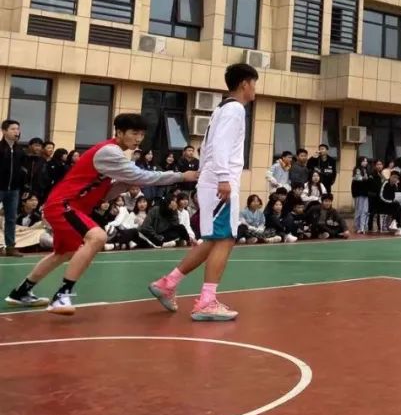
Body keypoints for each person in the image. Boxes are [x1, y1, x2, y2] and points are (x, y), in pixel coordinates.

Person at [4, 114, 194, 313]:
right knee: (97, 237)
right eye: (134, 133)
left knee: (63, 254)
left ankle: (21, 292)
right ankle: (61, 297)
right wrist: (181, 176)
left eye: (142, 134)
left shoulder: (115, 154)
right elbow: (142, 175)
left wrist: (123, 185)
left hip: (71, 206)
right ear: (119, 132)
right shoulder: (109, 151)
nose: (139, 138)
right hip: (64, 204)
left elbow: (106, 192)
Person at [148, 63, 259, 322]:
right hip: (219, 181)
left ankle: (168, 283)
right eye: (254, 83)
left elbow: (210, 145)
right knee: (225, 239)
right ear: (245, 83)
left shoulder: (222, 108)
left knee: (212, 239)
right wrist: (223, 178)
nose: (255, 89)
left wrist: (208, 174)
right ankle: (206, 301)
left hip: (211, 180)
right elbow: (219, 146)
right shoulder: (234, 109)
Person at [1, 119, 26, 257]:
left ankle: (10, 246)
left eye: (17, 129)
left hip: (14, 190)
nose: (16, 131)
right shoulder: (0, 148)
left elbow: (23, 171)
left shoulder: (20, 151)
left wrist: (24, 188)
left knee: (11, 218)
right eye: (13, 129)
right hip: (0, 187)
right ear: (4, 131)